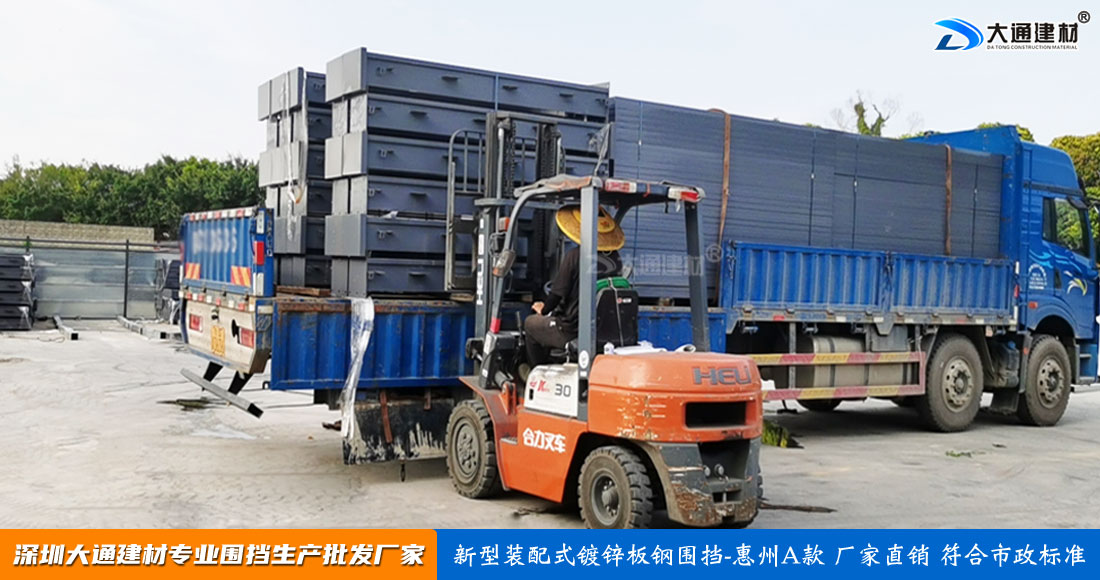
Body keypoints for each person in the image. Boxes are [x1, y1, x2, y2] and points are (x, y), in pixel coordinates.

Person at [524, 204, 624, 367]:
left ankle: (536, 371)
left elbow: (556, 295)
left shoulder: (575, 256)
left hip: (571, 330)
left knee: (530, 324)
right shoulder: (615, 259)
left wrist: (544, 309)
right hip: (602, 328)